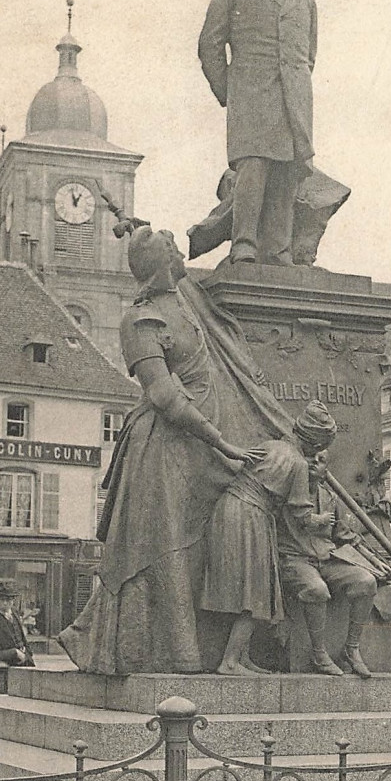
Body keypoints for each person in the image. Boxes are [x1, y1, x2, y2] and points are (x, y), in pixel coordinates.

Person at [58, 225, 269, 676]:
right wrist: (223, 442)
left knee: (197, 548)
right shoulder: (140, 321)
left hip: (201, 449)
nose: (181, 253)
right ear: (162, 263)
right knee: (163, 549)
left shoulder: (188, 301)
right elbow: (164, 396)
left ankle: (197, 650)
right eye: (173, 248)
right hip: (163, 449)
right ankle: (160, 654)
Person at [198, 0, 317, 266]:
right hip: (250, 95)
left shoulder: (306, 3)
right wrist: (230, 93)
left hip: (293, 101)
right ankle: (244, 243)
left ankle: (278, 249)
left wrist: (297, 91)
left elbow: (307, 57)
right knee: (254, 167)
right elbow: (210, 45)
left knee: (288, 170)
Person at [202, 401, 339, 675]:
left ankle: (242, 658)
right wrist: (324, 520)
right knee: (256, 591)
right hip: (250, 515)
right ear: (314, 444)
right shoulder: (298, 463)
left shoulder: (272, 446)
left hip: (228, 508)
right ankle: (229, 661)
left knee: (248, 587)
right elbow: (301, 515)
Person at [277, 442, 391, 678]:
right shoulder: (285, 491)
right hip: (295, 560)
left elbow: (346, 535)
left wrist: (373, 560)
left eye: (320, 460)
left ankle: (351, 649)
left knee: (366, 581)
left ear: (326, 470)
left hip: (327, 558)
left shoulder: (329, 497)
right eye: (309, 457)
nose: (312, 463)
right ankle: (319, 655)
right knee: (317, 590)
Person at [0, 580, 35, 683]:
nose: (5, 603)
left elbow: (23, 639)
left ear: (13, 600)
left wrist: (27, 655)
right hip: (2, 674)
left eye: (9, 599)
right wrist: (15, 653)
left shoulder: (15, 614)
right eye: (1, 599)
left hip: (24, 668)